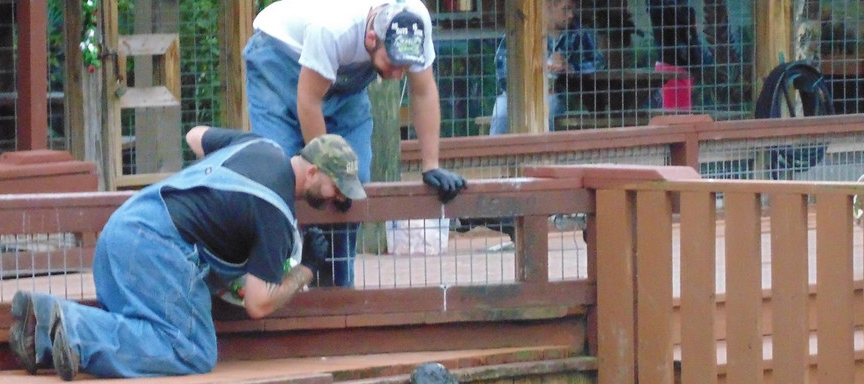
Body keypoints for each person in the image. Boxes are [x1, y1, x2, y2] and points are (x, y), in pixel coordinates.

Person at [7, 128, 366, 380]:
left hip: (120, 232)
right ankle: (74, 327)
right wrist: (306, 269)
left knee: (142, 331)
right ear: (314, 171)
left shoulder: (258, 144)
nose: (339, 199)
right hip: (154, 250)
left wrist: (220, 207)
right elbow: (259, 303)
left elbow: (195, 135)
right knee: (192, 350)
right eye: (337, 187)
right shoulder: (275, 212)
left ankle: (40, 330)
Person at [243, 0, 468, 287]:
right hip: (279, 59)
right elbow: (308, 101)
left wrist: (431, 165)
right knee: (283, 176)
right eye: (393, 63)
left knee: (351, 180)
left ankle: (336, 289)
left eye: (405, 64)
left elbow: (423, 91)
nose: (398, 74)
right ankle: (273, 285)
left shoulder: (413, 22)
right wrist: (326, 169)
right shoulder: (334, 28)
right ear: (372, 39)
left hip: (344, 82)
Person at [488, 0, 606, 134]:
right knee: (501, 111)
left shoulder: (578, 33)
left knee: (548, 108)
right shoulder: (522, 31)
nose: (571, 15)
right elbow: (502, 65)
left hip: (555, 94)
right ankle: (498, 154)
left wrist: (572, 68)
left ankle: (542, 152)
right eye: (566, 9)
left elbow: (599, 63)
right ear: (549, 7)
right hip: (519, 94)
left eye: (573, 10)